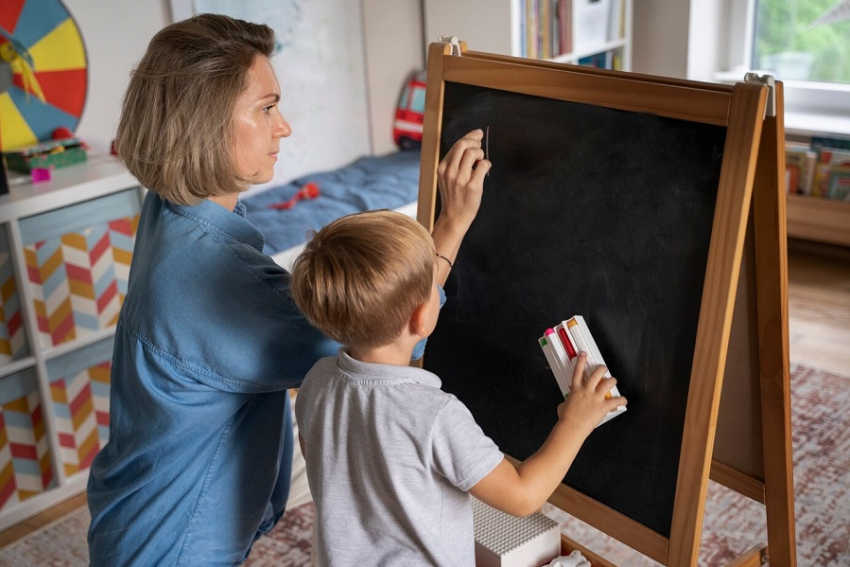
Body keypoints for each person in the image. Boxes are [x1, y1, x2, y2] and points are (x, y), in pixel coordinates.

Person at [86, 13, 489, 566]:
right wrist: (451, 225)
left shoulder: (169, 210)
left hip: (132, 516)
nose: (285, 127)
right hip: (173, 548)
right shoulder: (219, 281)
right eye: (267, 108)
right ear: (203, 124)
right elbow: (390, 327)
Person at [290, 210, 628, 567]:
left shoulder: (316, 381)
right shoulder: (433, 414)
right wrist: (575, 422)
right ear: (422, 317)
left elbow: (322, 460)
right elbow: (522, 496)